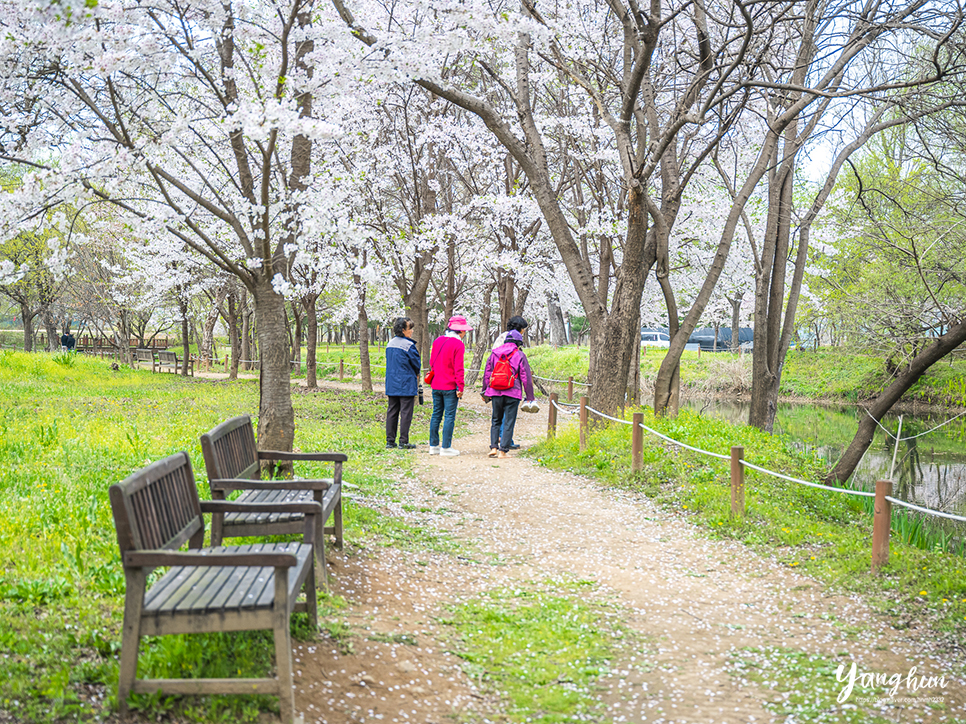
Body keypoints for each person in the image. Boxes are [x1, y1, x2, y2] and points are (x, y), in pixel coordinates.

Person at [482, 329, 535, 458]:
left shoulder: (494, 353)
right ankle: (503, 451)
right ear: (518, 343)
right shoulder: (520, 355)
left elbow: (487, 374)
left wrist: (485, 391)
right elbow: (526, 377)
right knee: (508, 421)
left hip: (495, 391)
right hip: (513, 392)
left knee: (496, 420)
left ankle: (493, 447)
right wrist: (530, 397)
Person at [428, 315, 472, 456]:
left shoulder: (437, 341)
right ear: (461, 331)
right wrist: (460, 387)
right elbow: (458, 368)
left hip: (436, 384)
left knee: (436, 415)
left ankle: (433, 446)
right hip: (450, 386)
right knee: (449, 416)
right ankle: (446, 447)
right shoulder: (458, 344)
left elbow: (431, 362)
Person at [492, 316, 528, 449]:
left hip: (496, 380)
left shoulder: (501, 337)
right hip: (510, 380)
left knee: (497, 415)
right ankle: (505, 441)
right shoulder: (514, 339)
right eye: (523, 329)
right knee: (508, 414)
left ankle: (497, 442)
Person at [385, 317, 421, 449]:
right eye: (409, 328)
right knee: (406, 412)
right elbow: (416, 364)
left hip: (392, 383)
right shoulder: (409, 345)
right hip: (406, 383)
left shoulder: (390, 344)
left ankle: (390, 441)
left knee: (392, 411)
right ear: (403, 330)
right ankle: (403, 441)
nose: (411, 331)